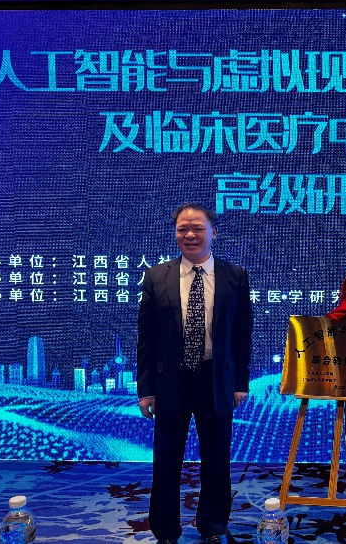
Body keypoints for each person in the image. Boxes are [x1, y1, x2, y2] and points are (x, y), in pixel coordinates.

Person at [137, 203, 253, 544]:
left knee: (217, 459)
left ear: (213, 232)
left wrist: (240, 382)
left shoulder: (234, 276)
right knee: (166, 460)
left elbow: (242, 334)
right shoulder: (156, 276)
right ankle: (165, 531)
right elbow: (146, 338)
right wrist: (146, 389)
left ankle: (213, 526)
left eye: (197, 228)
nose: (189, 234)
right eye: (182, 229)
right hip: (170, 382)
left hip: (216, 381)